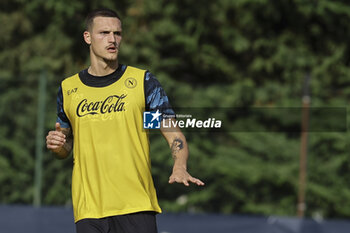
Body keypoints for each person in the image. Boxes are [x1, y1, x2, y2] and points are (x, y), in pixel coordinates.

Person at [45, 8, 204, 233]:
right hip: (88, 210)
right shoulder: (68, 89)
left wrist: (179, 165)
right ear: (87, 37)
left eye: (117, 33)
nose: (112, 40)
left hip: (136, 206)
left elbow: (173, 133)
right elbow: (66, 146)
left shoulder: (142, 82)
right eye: (104, 33)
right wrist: (57, 146)